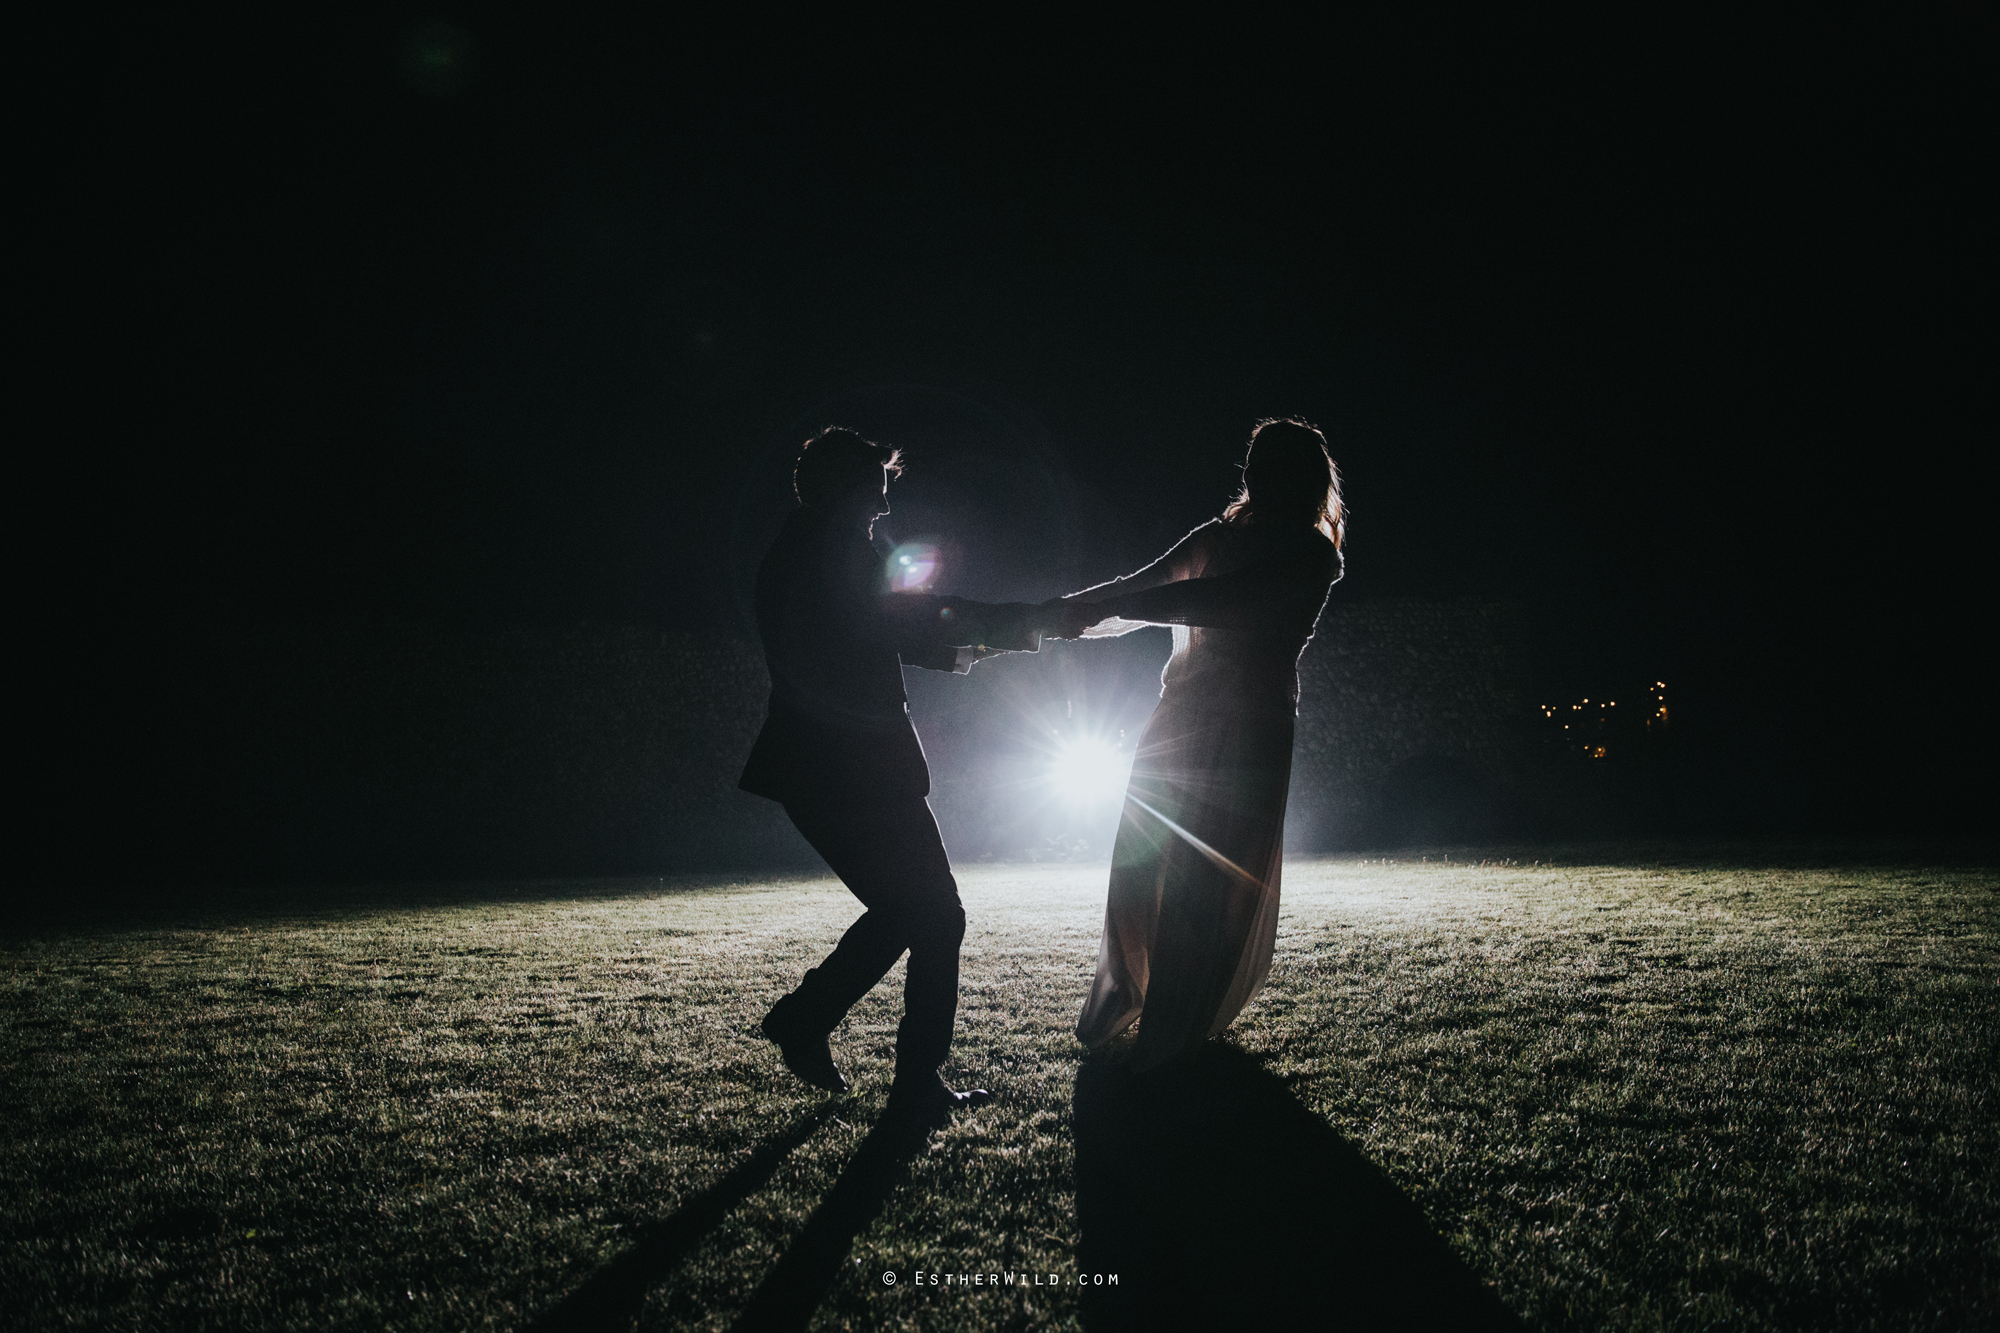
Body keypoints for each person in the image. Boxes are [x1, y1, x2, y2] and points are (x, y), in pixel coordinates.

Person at [741, 426, 1038, 1123]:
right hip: (855, 767)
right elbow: (901, 619)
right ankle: (904, 1079)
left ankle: (810, 1022)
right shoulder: (836, 547)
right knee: (936, 913)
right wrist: (1022, 623)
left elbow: (882, 628)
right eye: (875, 488)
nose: (882, 504)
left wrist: (977, 643)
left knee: (915, 910)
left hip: (822, 768)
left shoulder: (802, 548)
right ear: (846, 487)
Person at [1048, 418, 1344, 1071]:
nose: (1256, 478)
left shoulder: (1312, 556)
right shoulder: (1217, 538)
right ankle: (1135, 997)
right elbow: (1143, 585)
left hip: (1248, 733)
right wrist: (1065, 610)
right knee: (1140, 867)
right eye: (1254, 465)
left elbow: (1217, 602)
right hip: (1176, 722)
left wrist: (1096, 609)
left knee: (1205, 881)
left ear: (1299, 478)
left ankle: (1175, 1024)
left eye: (1271, 466)